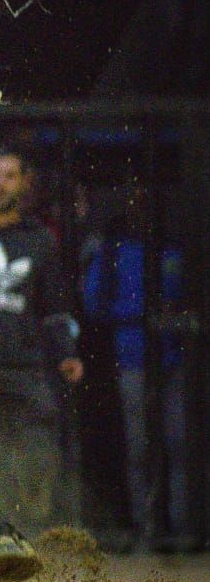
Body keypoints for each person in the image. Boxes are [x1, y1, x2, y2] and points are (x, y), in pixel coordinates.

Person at [0, 149, 83, 538]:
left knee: (38, 458)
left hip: (26, 366)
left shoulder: (39, 240)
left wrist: (67, 353)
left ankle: (32, 529)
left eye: (10, 175)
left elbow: (54, 306)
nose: (1, 182)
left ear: (24, 183)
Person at [82, 187, 191, 549]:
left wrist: (173, 320)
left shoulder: (176, 250)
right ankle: (146, 526)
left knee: (178, 444)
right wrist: (138, 317)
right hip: (132, 358)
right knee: (139, 447)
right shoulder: (115, 251)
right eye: (136, 203)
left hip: (172, 359)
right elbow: (93, 302)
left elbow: (191, 300)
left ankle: (182, 526)